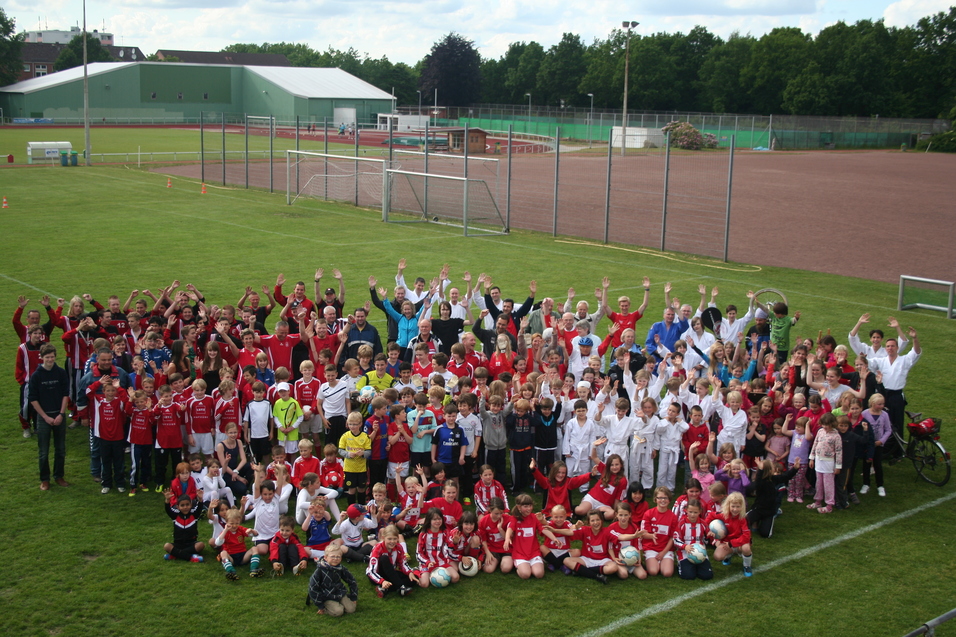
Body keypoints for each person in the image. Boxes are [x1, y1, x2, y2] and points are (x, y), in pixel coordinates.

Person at [866, 326, 920, 458]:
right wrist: (862, 358)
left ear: (897, 347)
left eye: (893, 346)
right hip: (883, 395)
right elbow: (868, 363)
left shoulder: (904, 360)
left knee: (897, 422)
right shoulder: (881, 361)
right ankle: (885, 449)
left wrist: (915, 338)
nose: (890, 348)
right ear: (886, 348)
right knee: (883, 422)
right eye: (888, 346)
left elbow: (916, 352)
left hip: (896, 396)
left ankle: (898, 452)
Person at [28, 343, 71, 490]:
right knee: (43, 451)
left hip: (58, 415)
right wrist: (45, 417)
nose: (50, 360)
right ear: (41, 358)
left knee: (60, 449)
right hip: (43, 417)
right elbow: (33, 399)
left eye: (52, 357)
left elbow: (66, 393)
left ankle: (59, 476)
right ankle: (45, 479)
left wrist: (61, 413)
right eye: (47, 357)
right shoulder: (36, 376)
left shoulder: (60, 372)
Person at [707, 491, 754, 576]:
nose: (735, 509)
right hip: (727, 543)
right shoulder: (723, 515)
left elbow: (746, 536)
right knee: (717, 557)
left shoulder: (743, 518)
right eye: (733, 506)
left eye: (738, 507)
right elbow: (710, 516)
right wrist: (708, 530)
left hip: (739, 543)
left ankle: (747, 566)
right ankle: (729, 555)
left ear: (742, 507)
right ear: (728, 505)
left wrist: (732, 543)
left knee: (746, 548)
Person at [367, 525, 417, 598]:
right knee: (384, 558)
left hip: (391, 572)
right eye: (389, 539)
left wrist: (409, 572)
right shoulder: (378, 548)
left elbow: (402, 563)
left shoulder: (399, 547)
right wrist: (382, 581)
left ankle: (384, 589)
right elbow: (371, 571)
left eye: (395, 539)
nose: (392, 542)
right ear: (383, 538)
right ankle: (401, 587)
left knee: (413, 579)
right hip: (378, 574)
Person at [163, 492, 206, 563]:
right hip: (178, 544)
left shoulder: (194, 514)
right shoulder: (175, 515)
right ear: (178, 506)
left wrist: (200, 499)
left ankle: (175, 555)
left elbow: (199, 507)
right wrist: (167, 500)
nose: (185, 507)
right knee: (167, 546)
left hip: (191, 543)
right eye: (182, 505)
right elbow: (168, 510)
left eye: (187, 504)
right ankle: (191, 557)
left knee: (201, 545)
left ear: (191, 505)